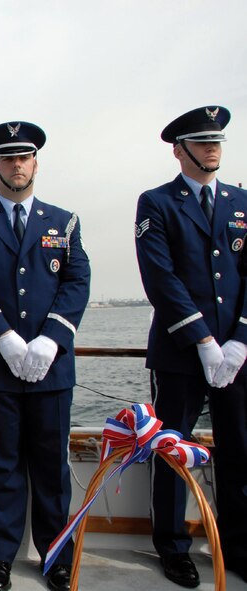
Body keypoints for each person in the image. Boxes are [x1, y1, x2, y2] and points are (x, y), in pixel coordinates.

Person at [0, 122, 90, 591]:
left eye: (24, 156)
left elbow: (76, 282)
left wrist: (50, 339)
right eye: (7, 158)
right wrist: (4, 338)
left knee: (52, 468)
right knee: (3, 465)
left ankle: (57, 556)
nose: (16, 164)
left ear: (35, 163)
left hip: (53, 369)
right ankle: (1, 558)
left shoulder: (63, 222)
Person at [135, 105, 247, 588]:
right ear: (179, 150)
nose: (212, 148)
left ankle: (239, 545)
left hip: (240, 357)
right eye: (201, 142)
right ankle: (173, 545)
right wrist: (203, 339)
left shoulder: (243, 202)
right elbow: (161, 277)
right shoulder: (157, 203)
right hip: (181, 353)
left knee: (240, 452)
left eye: (216, 140)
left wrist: (240, 339)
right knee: (172, 449)